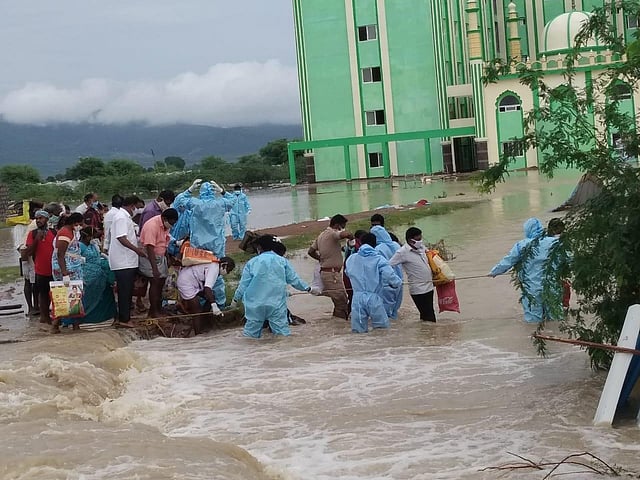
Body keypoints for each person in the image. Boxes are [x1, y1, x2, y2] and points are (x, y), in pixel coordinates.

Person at [232, 235, 310, 338]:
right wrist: (308, 288)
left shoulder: (252, 262)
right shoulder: (282, 261)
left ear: (259, 248)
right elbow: (295, 280)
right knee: (282, 335)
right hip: (276, 304)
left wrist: (235, 299)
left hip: (255, 305)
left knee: (250, 335)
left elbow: (243, 285)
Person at [488, 217, 562, 323]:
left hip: (531, 289)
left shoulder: (521, 245)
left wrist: (494, 272)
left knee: (533, 321)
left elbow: (508, 261)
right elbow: (570, 258)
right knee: (556, 319)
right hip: (552, 286)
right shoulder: (555, 242)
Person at [174, 179, 234, 305]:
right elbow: (234, 201)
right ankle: (219, 303)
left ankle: (202, 302)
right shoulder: (220, 203)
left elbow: (178, 201)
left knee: (198, 272)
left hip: (198, 246)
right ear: (213, 191)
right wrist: (222, 191)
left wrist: (190, 190)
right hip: (216, 245)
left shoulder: (195, 203)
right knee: (216, 273)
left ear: (200, 192)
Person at [345, 233, 402, 333]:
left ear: (361, 243)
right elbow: (390, 276)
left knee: (358, 331)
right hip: (374, 298)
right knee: (382, 329)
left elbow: (347, 272)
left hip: (357, 298)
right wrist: (397, 283)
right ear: (375, 244)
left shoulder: (351, 259)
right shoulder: (379, 259)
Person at [108, 195, 148, 328]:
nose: (137, 210)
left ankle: (124, 317)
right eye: (137, 207)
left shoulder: (124, 217)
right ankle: (124, 319)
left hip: (127, 260)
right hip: (123, 261)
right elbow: (121, 238)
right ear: (132, 206)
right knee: (125, 291)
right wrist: (137, 250)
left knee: (127, 290)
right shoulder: (121, 217)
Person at [307, 214, 353, 320]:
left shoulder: (321, 235)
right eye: (342, 226)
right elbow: (344, 234)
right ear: (337, 225)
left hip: (327, 273)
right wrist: (350, 236)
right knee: (342, 302)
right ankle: (340, 325)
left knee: (339, 302)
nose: (343, 228)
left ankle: (336, 324)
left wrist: (320, 258)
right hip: (332, 275)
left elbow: (311, 251)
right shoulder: (332, 233)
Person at [176, 256, 235, 334]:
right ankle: (198, 334)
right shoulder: (214, 269)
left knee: (210, 298)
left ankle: (204, 323)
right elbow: (207, 288)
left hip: (192, 281)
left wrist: (212, 302)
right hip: (186, 283)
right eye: (228, 270)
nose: (228, 273)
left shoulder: (215, 265)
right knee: (197, 310)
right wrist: (214, 306)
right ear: (224, 265)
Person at [138, 208, 179, 318]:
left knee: (161, 283)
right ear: (164, 218)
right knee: (155, 282)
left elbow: (164, 243)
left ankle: (157, 308)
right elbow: (149, 248)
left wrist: (167, 257)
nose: (172, 225)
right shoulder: (152, 226)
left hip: (160, 256)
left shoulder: (165, 225)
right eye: (171, 223)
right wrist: (154, 269)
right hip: (149, 257)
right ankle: (154, 311)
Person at [389, 227, 436, 322]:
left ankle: (425, 330)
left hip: (429, 286)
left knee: (427, 315)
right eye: (418, 239)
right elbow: (389, 265)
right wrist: (393, 280)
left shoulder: (422, 248)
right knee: (429, 316)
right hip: (418, 289)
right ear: (410, 240)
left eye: (421, 238)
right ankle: (429, 331)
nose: (420, 241)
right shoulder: (402, 252)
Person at [23, 210, 57, 327]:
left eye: (41, 218)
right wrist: (37, 239)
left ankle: (53, 316)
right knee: (43, 294)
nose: (38, 220)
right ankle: (44, 317)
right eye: (37, 218)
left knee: (54, 294)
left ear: (47, 219)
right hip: (40, 269)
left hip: (54, 269)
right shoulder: (32, 234)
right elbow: (29, 252)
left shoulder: (54, 232)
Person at [371, 225, 403, 320]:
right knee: (395, 309)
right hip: (399, 281)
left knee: (385, 312)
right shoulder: (396, 245)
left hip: (385, 282)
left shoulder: (378, 249)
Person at [16, 202, 43, 316]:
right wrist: (25, 262)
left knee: (35, 281)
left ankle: (36, 306)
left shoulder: (32, 224)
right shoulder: (28, 226)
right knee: (28, 281)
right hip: (25, 255)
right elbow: (23, 246)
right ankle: (31, 307)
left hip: (29, 254)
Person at [52, 212, 85, 281]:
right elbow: (60, 254)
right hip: (67, 268)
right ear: (74, 223)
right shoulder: (65, 233)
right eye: (80, 224)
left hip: (73, 266)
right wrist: (64, 273)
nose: (81, 226)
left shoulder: (71, 231)